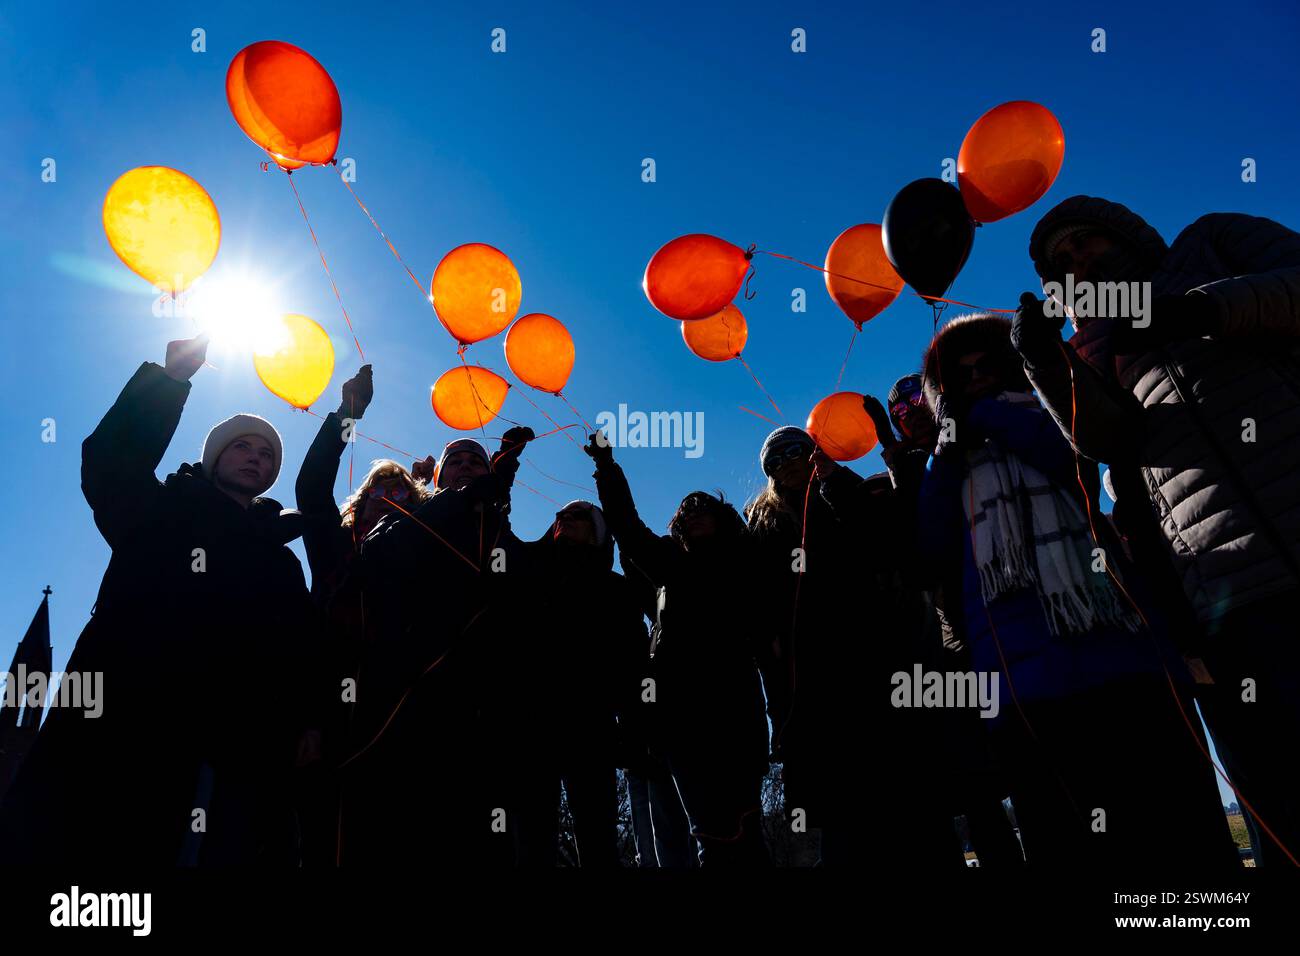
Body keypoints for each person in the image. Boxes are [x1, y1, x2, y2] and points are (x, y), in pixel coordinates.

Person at [1012, 195, 1300, 864]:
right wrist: (1046, 366)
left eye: (1087, 241)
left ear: (1129, 235)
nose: (1079, 259)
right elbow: (1112, 443)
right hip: (1231, 602)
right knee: (1282, 809)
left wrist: (1195, 311)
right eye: (1062, 260)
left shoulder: (1213, 240)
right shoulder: (1094, 342)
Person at [918, 314, 1239, 869]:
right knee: (1066, 843)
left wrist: (989, 413)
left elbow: (1073, 465)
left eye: (986, 365)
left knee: (1177, 838)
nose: (975, 379)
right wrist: (948, 447)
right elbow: (933, 543)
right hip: (1024, 681)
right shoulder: (948, 463)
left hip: (1122, 656)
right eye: (961, 375)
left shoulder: (1053, 413)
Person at [0, 334, 314, 865]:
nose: (254, 458)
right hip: (120, 725)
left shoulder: (279, 560)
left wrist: (308, 721)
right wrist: (168, 383)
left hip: (222, 751)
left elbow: (300, 650)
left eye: (266, 454)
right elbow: (110, 464)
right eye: (241, 445)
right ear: (214, 456)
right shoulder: (163, 509)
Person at [746, 426, 964, 869]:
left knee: (913, 796)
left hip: (878, 662)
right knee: (844, 813)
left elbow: (881, 536)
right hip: (816, 687)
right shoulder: (763, 526)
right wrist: (780, 706)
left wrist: (833, 478)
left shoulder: (843, 495)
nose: (789, 464)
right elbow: (757, 601)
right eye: (777, 461)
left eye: (798, 453)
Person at [584, 433, 771, 866]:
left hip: (737, 715)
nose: (692, 514)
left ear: (724, 518)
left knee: (745, 828)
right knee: (708, 833)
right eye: (685, 512)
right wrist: (607, 467)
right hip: (682, 721)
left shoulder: (747, 563)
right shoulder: (671, 564)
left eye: (703, 508)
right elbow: (628, 528)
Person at [352, 427, 534, 867]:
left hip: (489, 714)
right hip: (416, 701)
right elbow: (379, 554)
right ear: (438, 478)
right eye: (456, 463)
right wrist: (471, 494)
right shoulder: (408, 517)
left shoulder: (502, 537)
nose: (467, 469)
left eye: (476, 463)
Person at [293, 364, 433, 865]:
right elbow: (311, 490)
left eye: (401, 494)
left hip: (403, 728)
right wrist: (347, 416)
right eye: (379, 490)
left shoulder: (424, 564)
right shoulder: (335, 549)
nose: (389, 499)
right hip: (331, 721)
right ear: (363, 501)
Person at [509, 501, 647, 866]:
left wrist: (632, 730)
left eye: (578, 516)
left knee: (597, 836)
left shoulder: (616, 590)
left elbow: (632, 663)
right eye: (560, 516)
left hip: (591, 730)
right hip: (532, 726)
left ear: (597, 532)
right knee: (532, 838)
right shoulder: (529, 577)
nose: (565, 519)